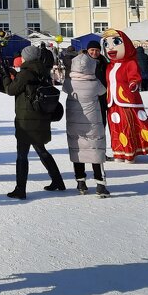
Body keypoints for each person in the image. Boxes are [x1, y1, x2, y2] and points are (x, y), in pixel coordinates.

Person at [5, 44, 65, 199]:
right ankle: (58, 180)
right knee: (41, 149)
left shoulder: (25, 73)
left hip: (26, 119)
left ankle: (20, 189)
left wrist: (6, 77)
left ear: (26, 57)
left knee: (22, 155)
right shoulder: (43, 70)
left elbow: (11, 90)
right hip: (40, 116)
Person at [102, 30, 148, 162]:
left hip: (127, 101)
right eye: (107, 44)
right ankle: (119, 152)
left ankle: (130, 152)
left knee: (127, 126)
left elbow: (135, 77)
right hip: (112, 102)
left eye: (116, 42)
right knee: (115, 128)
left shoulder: (130, 63)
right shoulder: (109, 66)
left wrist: (133, 84)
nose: (110, 47)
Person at [63, 44, 109, 196]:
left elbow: (65, 90)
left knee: (78, 149)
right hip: (93, 123)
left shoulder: (68, 83)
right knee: (95, 149)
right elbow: (103, 91)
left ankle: (80, 182)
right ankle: (100, 184)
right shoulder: (94, 83)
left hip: (74, 122)